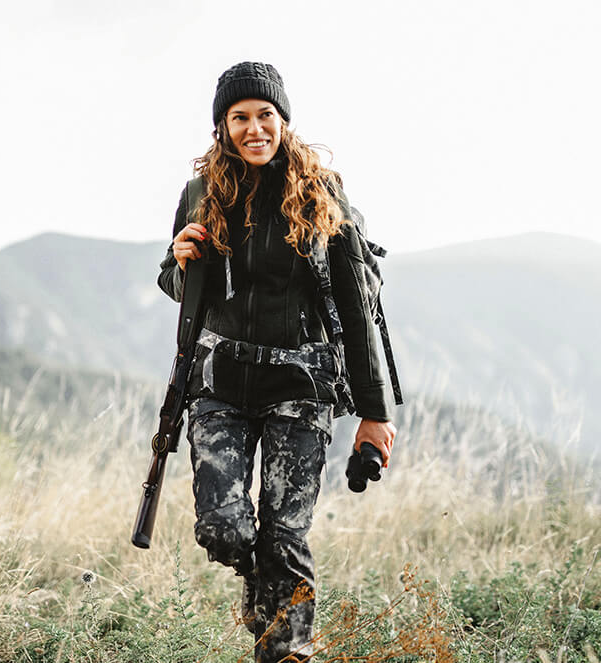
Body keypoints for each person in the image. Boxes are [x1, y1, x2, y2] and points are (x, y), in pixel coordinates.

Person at [156, 61, 397, 663]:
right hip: (221, 385)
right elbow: (178, 287)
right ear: (222, 127)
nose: (254, 128)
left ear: (284, 122)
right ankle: (261, 586)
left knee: (285, 538)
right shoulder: (199, 193)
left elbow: (356, 304)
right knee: (223, 530)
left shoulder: (322, 193)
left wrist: (375, 414)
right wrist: (180, 264)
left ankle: (289, 650)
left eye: (266, 115)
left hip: (301, 384)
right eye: (240, 117)